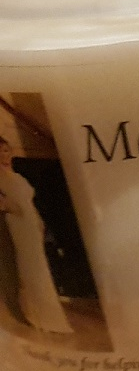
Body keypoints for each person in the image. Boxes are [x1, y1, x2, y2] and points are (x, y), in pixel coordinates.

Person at [0, 137, 70, 335]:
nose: (4, 155)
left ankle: (50, 317)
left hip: (31, 225)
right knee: (31, 270)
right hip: (17, 225)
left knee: (40, 268)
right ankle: (38, 316)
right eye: (0, 152)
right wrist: (9, 207)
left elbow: (29, 203)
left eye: (6, 150)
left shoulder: (16, 176)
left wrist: (39, 221)